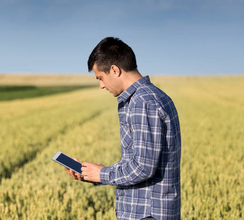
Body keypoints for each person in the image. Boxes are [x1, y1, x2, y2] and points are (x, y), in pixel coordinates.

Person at [65, 37, 181, 220]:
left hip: (146, 214)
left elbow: (143, 167)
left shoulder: (142, 102)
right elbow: (137, 161)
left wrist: (102, 174)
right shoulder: (154, 96)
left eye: (100, 78)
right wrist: (94, 173)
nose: (101, 85)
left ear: (114, 70)